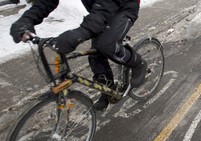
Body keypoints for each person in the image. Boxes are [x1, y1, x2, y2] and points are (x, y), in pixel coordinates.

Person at [10, 0, 147, 111]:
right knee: (95, 55)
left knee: (106, 46)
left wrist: (82, 31)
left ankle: (138, 63)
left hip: (124, 7)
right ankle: (107, 90)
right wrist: (27, 20)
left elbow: (107, 6)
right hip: (99, 8)